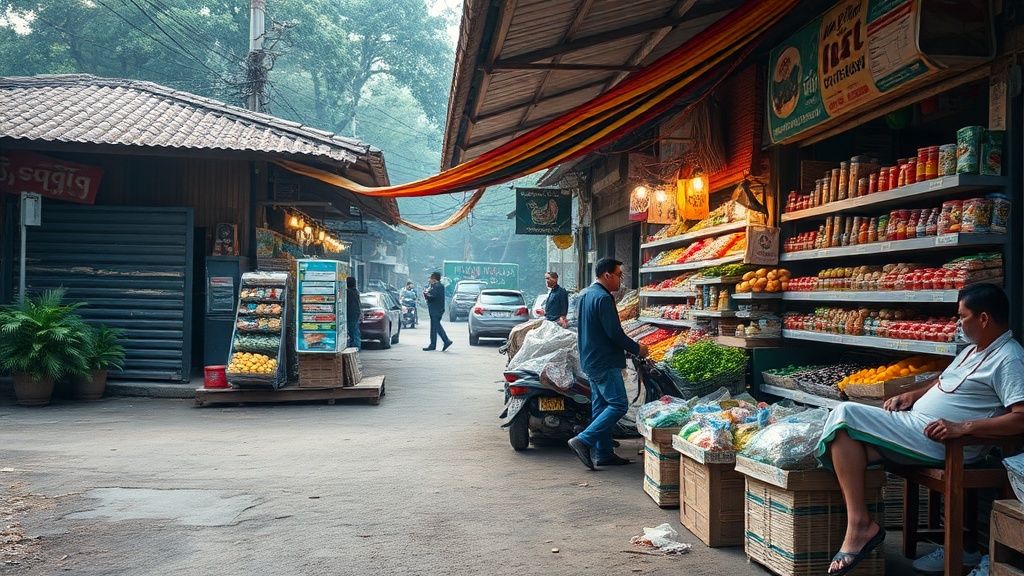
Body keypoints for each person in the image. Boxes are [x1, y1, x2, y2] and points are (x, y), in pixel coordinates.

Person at [815, 283, 1024, 576]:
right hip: (917, 427)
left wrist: (963, 427)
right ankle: (864, 525)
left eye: (962, 317)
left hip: (946, 443)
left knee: (845, 413)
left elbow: (1021, 418)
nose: (958, 323)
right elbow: (944, 381)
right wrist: (914, 394)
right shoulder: (974, 351)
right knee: (846, 440)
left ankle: (860, 526)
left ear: (984, 318)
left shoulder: (1009, 358)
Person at [567, 257, 648, 470]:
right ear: (607, 275)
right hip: (604, 360)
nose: (621, 281)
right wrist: (637, 348)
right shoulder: (603, 298)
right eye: (619, 276)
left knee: (601, 405)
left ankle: (603, 453)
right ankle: (583, 440)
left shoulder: (586, 295)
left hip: (590, 358)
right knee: (618, 404)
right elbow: (614, 333)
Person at [422, 272, 453, 351]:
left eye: (431, 278)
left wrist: (426, 294)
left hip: (436, 310)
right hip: (435, 309)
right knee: (434, 327)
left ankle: (446, 340)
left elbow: (432, 296)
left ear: (434, 279)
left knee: (436, 326)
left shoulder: (438, 287)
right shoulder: (435, 286)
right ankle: (433, 344)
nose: (430, 280)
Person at [345, 276, 362, 350]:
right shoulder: (355, 291)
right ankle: (356, 345)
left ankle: (356, 346)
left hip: (351, 313)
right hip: (356, 313)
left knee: (353, 330)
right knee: (354, 329)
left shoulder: (348, 292)